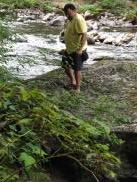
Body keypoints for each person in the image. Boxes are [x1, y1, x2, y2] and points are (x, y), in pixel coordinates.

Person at [59, 3, 88, 92]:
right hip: (69, 49)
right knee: (65, 65)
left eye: (68, 12)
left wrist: (80, 49)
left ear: (74, 10)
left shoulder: (78, 19)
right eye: (65, 13)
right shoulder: (70, 19)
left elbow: (84, 34)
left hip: (77, 49)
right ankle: (73, 82)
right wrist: (66, 48)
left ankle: (78, 88)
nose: (67, 15)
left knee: (77, 69)